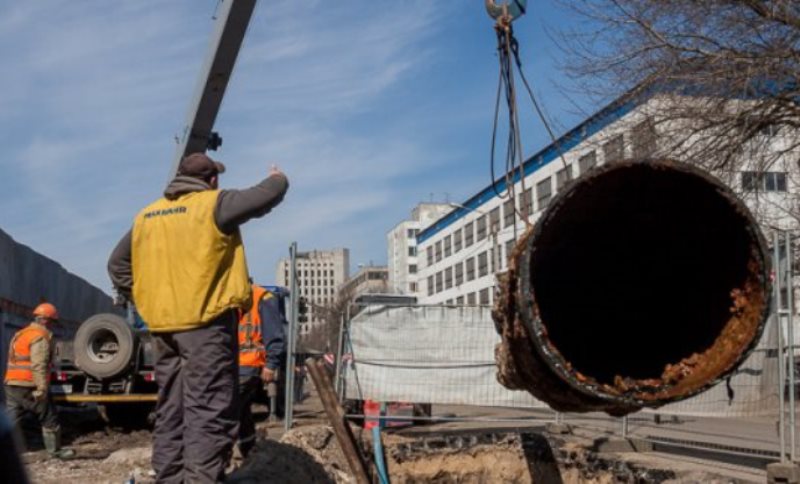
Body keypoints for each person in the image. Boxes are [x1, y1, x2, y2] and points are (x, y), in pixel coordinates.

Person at [108, 152, 289, 483]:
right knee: (207, 410)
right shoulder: (212, 204)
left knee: (171, 409)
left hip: (164, 330)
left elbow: (117, 265)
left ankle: (170, 478)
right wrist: (278, 177)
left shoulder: (147, 216)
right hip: (206, 328)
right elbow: (266, 195)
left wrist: (147, 296)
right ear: (213, 180)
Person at [4, 302, 74, 459]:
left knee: (11, 419)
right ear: (45, 320)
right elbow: (38, 365)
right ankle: (55, 452)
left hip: (12, 383)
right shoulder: (39, 337)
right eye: (52, 322)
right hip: (29, 384)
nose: (52, 326)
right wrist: (42, 388)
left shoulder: (21, 334)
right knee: (49, 416)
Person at [234, 284, 286, 460]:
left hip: (249, 365)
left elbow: (274, 334)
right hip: (231, 366)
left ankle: (223, 457)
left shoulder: (263, 297)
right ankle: (248, 449)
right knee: (241, 411)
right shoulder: (227, 294)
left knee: (229, 410)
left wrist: (271, 364)